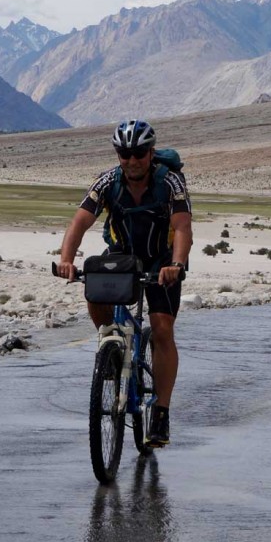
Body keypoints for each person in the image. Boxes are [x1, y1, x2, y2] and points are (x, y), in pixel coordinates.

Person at [56, 119, 192, 447]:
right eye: (125, 153)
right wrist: (66, 259)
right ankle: (111, 345)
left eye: (139, 153)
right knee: (94, 284)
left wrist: (176, 264)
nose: (132, 160)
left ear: (151, 152)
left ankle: (160, 411)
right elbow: (79, 222)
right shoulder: (108, 182)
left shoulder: (170, 182)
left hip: (162, 261)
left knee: (161, 328)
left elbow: (183, 228)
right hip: (123, 257)